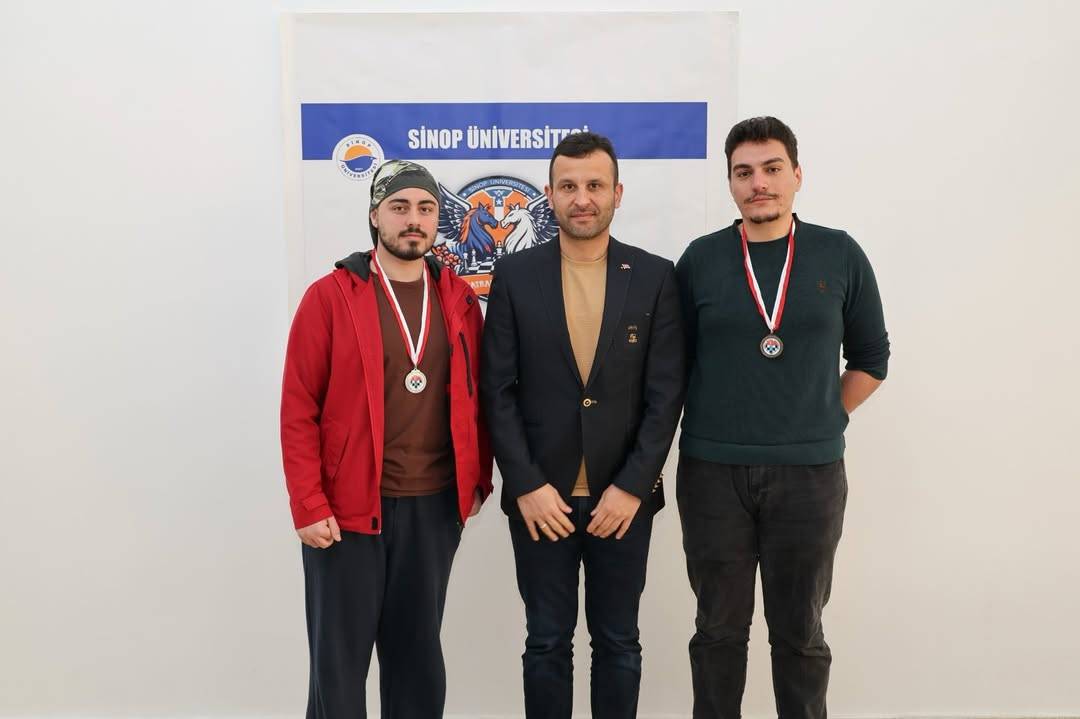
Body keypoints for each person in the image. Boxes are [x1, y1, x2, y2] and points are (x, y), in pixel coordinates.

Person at [674, 116, 890, 719]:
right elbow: (672, 365)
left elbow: (872, 358)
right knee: (717, 633)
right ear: (730, 183)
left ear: (797, 174)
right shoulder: (701, 259)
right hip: (713, 473)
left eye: (771, 169)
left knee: (800, 634)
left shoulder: (839, 253)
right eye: (743, 173)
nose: (758, 184)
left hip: (810, 476)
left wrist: (824, 415)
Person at [481, 131, 686, 719]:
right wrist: (526, 484)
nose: (582, 198)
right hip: (540, 501)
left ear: (617, 193)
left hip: (622, 500)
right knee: (546, 642)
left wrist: (633, 486)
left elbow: (665, 394)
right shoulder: (514, 274)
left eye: (595, 185)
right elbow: (497, 390)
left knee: (618, 642)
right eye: (568, 186)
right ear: (548, 195)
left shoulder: (655, 276)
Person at [280, 159, 492, 718]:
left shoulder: (459, 299)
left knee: (417, 663)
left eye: (425, 208)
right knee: (339, 668)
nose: (413, 220)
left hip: (433, 508)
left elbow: (479, 395)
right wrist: (308, 502)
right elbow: (298, 407)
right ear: (375, 215)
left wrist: (476, 478)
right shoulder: (331, 296)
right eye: (399, 207)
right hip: (347, 513)